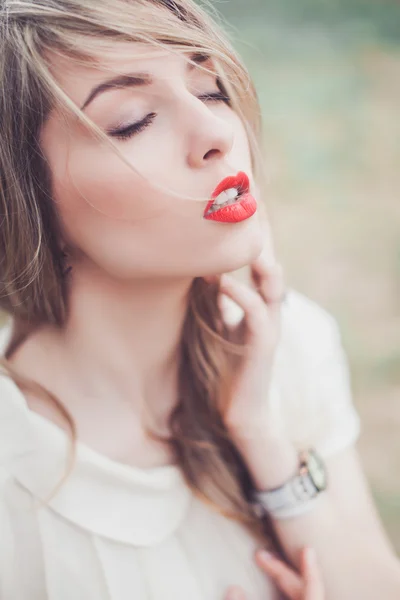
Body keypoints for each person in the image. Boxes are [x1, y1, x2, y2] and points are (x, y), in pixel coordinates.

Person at [0, 1, 399, 599]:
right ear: (26, 201)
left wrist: (261, 435)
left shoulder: (288, 346)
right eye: (133, 120)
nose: (216, 134)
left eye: (210, 90)